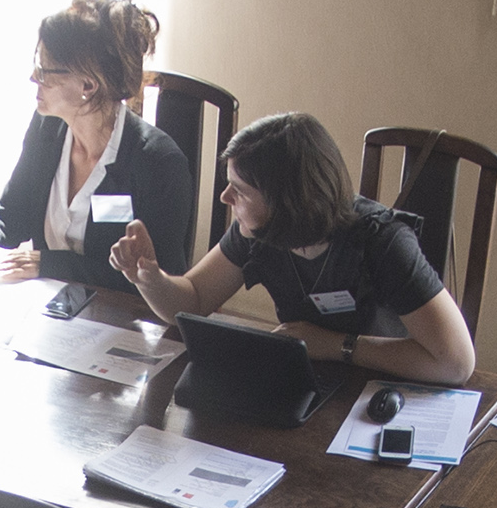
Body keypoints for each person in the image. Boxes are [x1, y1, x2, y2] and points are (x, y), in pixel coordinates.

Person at [112, 110, 477, 386]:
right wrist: (150, 278)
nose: (225, 197)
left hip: (375, 391)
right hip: (305, 386)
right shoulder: (257, 232)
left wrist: (332, 345)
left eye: (239, 190)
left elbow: (456, 362)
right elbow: (192, 301)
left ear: (287, 201)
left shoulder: (384, 243)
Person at [0, 0, 194, 302]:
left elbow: (161, 280)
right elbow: (12, 210)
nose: (33, 77)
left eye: (45, 70)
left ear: (87, 86)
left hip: (121, 322)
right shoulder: (47, 127)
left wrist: (49, 263)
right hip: (49, 313)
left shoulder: (158, 163)